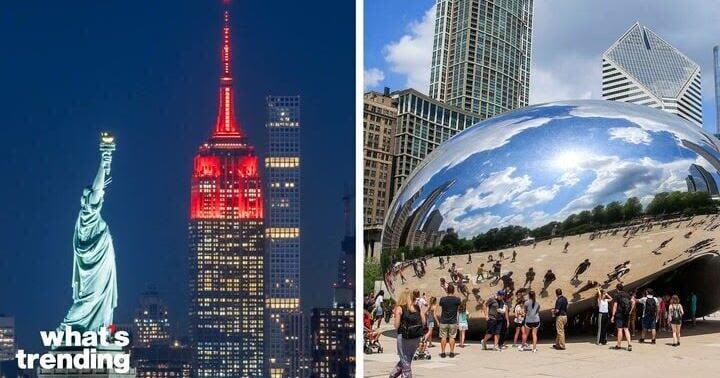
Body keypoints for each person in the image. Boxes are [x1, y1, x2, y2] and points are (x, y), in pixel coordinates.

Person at [389, 290, 425, 378]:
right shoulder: (417, 307)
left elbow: (396, 326)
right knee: (407, 359)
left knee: (405, 360)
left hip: (404, 336)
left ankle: (405, 376)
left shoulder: (400, 308)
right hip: (416, 337)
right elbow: (424, 322)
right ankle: (393, 375)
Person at [435, 285, 461, 358]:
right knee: (452, 337)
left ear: (447, 290)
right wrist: (458, 321)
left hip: (443, 321)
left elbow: (440, 306)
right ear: (453, 291)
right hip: (453, 321)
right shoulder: (457, 300)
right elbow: (458, 310)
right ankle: (452, 352)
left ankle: (443, 353)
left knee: (443, 337)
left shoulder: (443, 299)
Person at [611, 284, 634, 351]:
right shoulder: (627, 295)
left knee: (620, 329)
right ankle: (629, 344)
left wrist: (613, 315)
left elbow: (615, 306)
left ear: (617, 289)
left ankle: (618, 345)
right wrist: (630, 310)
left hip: (619, 314)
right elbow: (633, 301)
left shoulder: (616, 295)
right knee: (626, 329)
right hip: (626, 314)